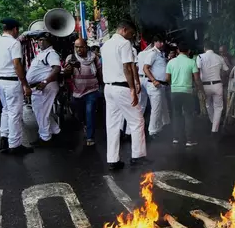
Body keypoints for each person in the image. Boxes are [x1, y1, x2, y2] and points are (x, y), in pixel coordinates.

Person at [100, 21, 145, 170]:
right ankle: (138, 156)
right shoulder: (124, 44)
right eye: (131, 33)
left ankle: (113, 160)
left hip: (109, 87)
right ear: (124, 30)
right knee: (137, 121)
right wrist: (133, 88)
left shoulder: (105, 45)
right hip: (122, 87)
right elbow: (127, 66)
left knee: (112, 124)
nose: (132, 37)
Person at [0, 18, 33, 155]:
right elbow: (17, 64)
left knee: (5, 110)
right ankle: (15, 144)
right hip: (11, 81)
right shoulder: (14, 43)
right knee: (15, 112)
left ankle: (4, 138)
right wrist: (25, 84)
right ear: (15, 29)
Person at [64, 38, 103, 146]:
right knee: (79, 114)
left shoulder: (94, 57)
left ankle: (90, 137)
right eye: (76, 47)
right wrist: (67, 69)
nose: (78, 49)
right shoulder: (70, 58)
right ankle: (85, 124)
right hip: (77, 92)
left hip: (92, 90)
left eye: (81, 47)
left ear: (86, 47)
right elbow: (66, 75)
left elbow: (99, 72)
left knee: (90, 112)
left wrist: (101, 85)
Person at [26, 32, 62, 146]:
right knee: (43, 112)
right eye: (39, 40)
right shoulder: (43, 53)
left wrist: (45, 82)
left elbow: (56, 68)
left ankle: (45, 137)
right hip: (40, 86)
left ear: (49, 41)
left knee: (41, 112)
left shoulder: (51, 53)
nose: (40, 42)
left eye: (42, 40)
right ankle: (55, 131)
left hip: (45, 86)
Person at [166, 42, 203, 146]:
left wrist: (173, 86)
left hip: (174, 92)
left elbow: (167, 78)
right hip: (187, 92)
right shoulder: (192, 62)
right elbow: (197, 79)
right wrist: (200, 90)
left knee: (176, 114)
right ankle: (189, 140)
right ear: (189, 51)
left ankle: (176, 138)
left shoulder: (171, 62)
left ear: (178, 50)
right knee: (188, 115)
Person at [196, 40, 229, 134]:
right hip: (217, 85)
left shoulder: (200, 57)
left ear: (204, 48)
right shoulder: (219, 58)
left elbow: (197, 71)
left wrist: (198, 86)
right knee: (218, 107)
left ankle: (213, 122)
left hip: (205, 85)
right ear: (213, 48)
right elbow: (226, 70)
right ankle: (214, 129)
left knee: (208, 104)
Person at [141, 35, 170, 137]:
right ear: (155, 42)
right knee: (156, 108)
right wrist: (153, 80)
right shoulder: (152, 53)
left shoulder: (160, 53)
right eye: (160, 42)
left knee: (162, 106)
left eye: (163, 42)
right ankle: (152, 131)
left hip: (161, 84)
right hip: (155, 85)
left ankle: (162, 126)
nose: (162, 44)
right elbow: (145, 68)